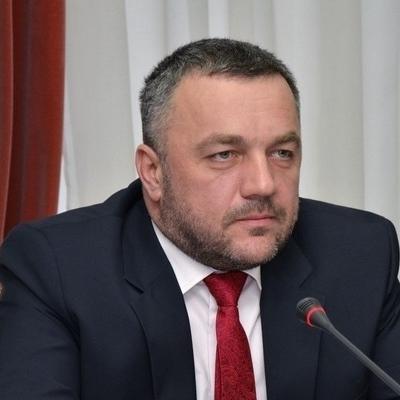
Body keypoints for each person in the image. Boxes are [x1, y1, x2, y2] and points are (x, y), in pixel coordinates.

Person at [0, 38, 399, 400]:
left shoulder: (361, 255)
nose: (263, 184)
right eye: (224, 155)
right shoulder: (56, 269)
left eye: (282, 153)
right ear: (153, 172)